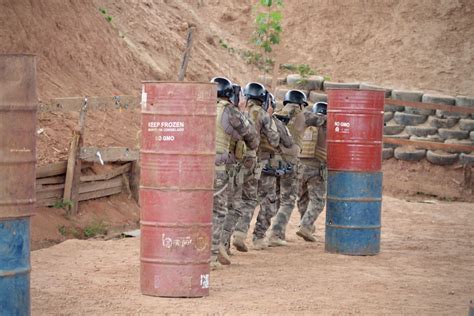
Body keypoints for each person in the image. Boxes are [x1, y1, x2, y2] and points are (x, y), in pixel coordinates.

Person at [220, 82, 281, 254]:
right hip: (252, 161)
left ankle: (224, 243)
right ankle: (240, 233)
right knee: (248, 199)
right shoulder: (262, 114)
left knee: (231, 200)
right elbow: (275, 140)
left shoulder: (234, 110)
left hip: (232, 160)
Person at [233, 91, 294, 250]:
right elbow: (282, 141)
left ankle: (238, 232)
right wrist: (275, 123)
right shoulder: (266, 117)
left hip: (242, 161)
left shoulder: (239, 113)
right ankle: (258, 237)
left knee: (245, 199)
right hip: (265, 164)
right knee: (269, 200)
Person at [210, 77, 258, 269]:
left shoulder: (200, 105)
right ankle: (212, 256)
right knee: (218, 211)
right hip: (217, 169)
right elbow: (252, 139)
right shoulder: (229, 111)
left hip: (194, 167)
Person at [267, 90, 326, 246]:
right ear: (301, 104)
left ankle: (260, 234)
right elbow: (323, 119)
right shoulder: (304, 116)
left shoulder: (276, 114)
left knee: (275, 199)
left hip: (272, 162)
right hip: (291, 163)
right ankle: (276, 234)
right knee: (288, 201)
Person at [296, 102, 328, 242]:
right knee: (318, 200)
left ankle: (305, 224)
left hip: (300, 167)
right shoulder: (327, 125)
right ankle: (306, 225)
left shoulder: (306, 123)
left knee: (303, 198)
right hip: (316, 168)